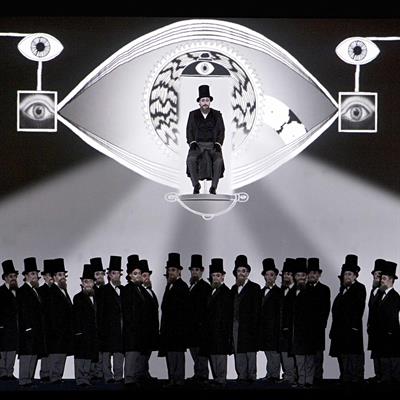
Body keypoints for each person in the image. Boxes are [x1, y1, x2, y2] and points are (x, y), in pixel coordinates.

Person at [329, 254, 366, 384]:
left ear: (355, 275)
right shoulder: (342, 290)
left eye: (350, 274)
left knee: (353, 361)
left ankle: (352, 382)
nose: (347, 277)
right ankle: (345, 379)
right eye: (345, 274)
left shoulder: (359, 288)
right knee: (343, 359)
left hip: (351, 331)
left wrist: (352, 327)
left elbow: (357, 309)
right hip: (340, 333)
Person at [186, 84, 225, 195]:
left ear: (210, 102)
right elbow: (189, 130)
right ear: (199, 102)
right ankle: (196, 185)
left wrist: (218, 144)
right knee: (191, 159)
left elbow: (222, 130)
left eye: (207, 100)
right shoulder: (193, 114)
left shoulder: (217, 114)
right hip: (197, 145)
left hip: (213, 145)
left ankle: (213, 187)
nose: (205, 103)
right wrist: (192, 143)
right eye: (203, 100)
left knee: (218, 160)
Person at [159, 253, 189, 387]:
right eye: (169, 270)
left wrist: (181, 328)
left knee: (177, 355)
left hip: (178, 329)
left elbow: (184, 310)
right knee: (171, 355)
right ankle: (172, 378)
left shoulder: (182, 286)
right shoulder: (169, 286)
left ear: (179, 272)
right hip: (169, 329)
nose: (170, 272)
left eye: (173, 270)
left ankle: (179, 379)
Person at [202, 258, 232, 387]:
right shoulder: (209, 291)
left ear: (223, 277)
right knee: (213, 356)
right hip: (211, 331)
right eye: (213, 276)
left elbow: (228, 315)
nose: (215, 278)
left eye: (218, 276)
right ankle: (217, 379)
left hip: (221, 331)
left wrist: (225, 331)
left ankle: (221, 380)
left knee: (220, 357)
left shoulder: (226, 292)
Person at [231, 254, 261, 384]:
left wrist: (254, 327)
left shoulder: (255, 288)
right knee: (238, 351)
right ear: (236, 273)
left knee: (250, 351)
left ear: (248, 273)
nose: (241, 273)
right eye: (239, 271)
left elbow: (257, 309)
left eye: (243, 271)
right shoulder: (233, 288)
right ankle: (241, 375)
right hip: (236, 324)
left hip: (249, 326)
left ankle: (252, 376)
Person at [17, 257, 47, 387]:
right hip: (27, 330)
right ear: (26, 276)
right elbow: (22, 311)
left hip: (36, 330)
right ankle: (24, 380)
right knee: (27, 356)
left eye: (36, 274)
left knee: (34, 354)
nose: (35, 276)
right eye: (32, 274)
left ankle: (29, 380)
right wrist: (27, 327)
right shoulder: (22, 291)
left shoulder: (36, 291)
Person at [96, 255, 125, 384]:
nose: (116, 276)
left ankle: (118, 376)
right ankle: (108, 376)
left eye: (118, 273)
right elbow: (100, 312)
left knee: (119, 353)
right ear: (109, 275)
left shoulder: (124, 290)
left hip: (120, 328)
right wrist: (101, 328)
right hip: (107, 327)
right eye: (113, 273)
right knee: (106, 353)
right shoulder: (103, 290)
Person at [372, 260, 400, 383]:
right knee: (384, 367)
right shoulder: (380, 295)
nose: (381, 281)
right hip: (381, 336)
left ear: (391, 280)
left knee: (392, 366)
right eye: (381, 278)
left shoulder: (395, 296)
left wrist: (389, 332)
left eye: (384, 278)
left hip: (390, 337)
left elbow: (393, 317)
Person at [47, 258, 73, 384]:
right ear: (54, 277)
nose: (62, 277)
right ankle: (54, 378)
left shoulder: (63, 290)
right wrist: (56, 330)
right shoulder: (52, 292)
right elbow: (52, 314)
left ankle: (57, 378)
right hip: (56, 332)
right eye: (59, 275)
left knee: (62, 355)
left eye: (63, 275)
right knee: (56, 357)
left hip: (64, 331)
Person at [72, 264, 99, 387]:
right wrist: (78, 333)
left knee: (89, 358)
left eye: (90, 281)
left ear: (94, 283)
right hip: (82, 333)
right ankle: (80, 380)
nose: (88, 284)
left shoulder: (97, 297)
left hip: (93, 333)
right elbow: (76, 318)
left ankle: (86, 379)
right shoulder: (78, 298)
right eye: (85, 282)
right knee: (81, 358)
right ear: (82, 283)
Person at [187, 254, 211, 384]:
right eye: (193, 270)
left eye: (197, 270)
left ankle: (203, 376)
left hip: (201, 327)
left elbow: (206, 309)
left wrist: (203, 325)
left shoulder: (205, 287)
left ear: (201, 271)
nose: (194, 272)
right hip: (192, 328)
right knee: (195, 354)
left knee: (201, 354)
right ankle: (198, 374)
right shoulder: (191, 286)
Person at [307, 257, 331, 384]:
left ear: (319, 274)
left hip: (317, 330)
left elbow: (325, 310)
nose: (312, 275)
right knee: (305, 358)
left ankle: (317, 381)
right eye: (310, 272)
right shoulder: (303, 288)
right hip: (304, 330)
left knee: (317, 357)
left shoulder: (324, 289)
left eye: (315, 273)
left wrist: (321, 326)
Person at [258, 258, 282, 384]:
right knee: (268, 352)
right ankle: (270, 374)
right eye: (267, 275)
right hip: (264, 329)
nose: (269, 277)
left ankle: (275, 375)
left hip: (274, 328)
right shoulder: (261, 292)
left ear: (276, 276)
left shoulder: (279, 292)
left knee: (274, 353)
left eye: (271, 275)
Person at [366, 258, 385, 383]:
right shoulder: (373, 290)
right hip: (373, 328)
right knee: (375, 353)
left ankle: (382, 376)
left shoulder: (384, 291)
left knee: (382, 353)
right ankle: (378, 375)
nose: (376, 276)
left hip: (381, 328)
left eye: (379, 274)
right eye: (375, 274)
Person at [0, 260, 19, 381]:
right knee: (2, 351)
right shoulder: (0, 291)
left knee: (12, 351)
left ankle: (10, 372)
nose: (13, 278)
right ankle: (2, 373)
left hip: (14, 328)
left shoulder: (18, 292)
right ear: (5, 278)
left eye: (15, 276)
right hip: (3, 327)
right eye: (11, 276)